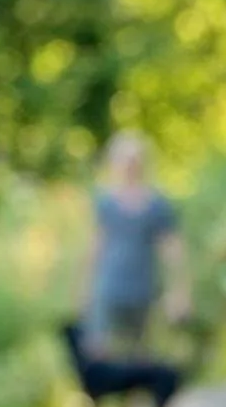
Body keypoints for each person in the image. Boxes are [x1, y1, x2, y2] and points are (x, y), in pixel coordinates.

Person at [80, 132, 191, 359]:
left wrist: (179, 291)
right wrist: (84, 291)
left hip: (142, 293)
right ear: (114, 163)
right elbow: (95, 248)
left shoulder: (157, 205)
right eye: (123, 160)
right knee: (99, 354)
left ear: (143, 164)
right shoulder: (106, 203)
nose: (129, 166)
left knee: (140, 358)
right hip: (108, 291)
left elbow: (172, 250)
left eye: (134, 160)